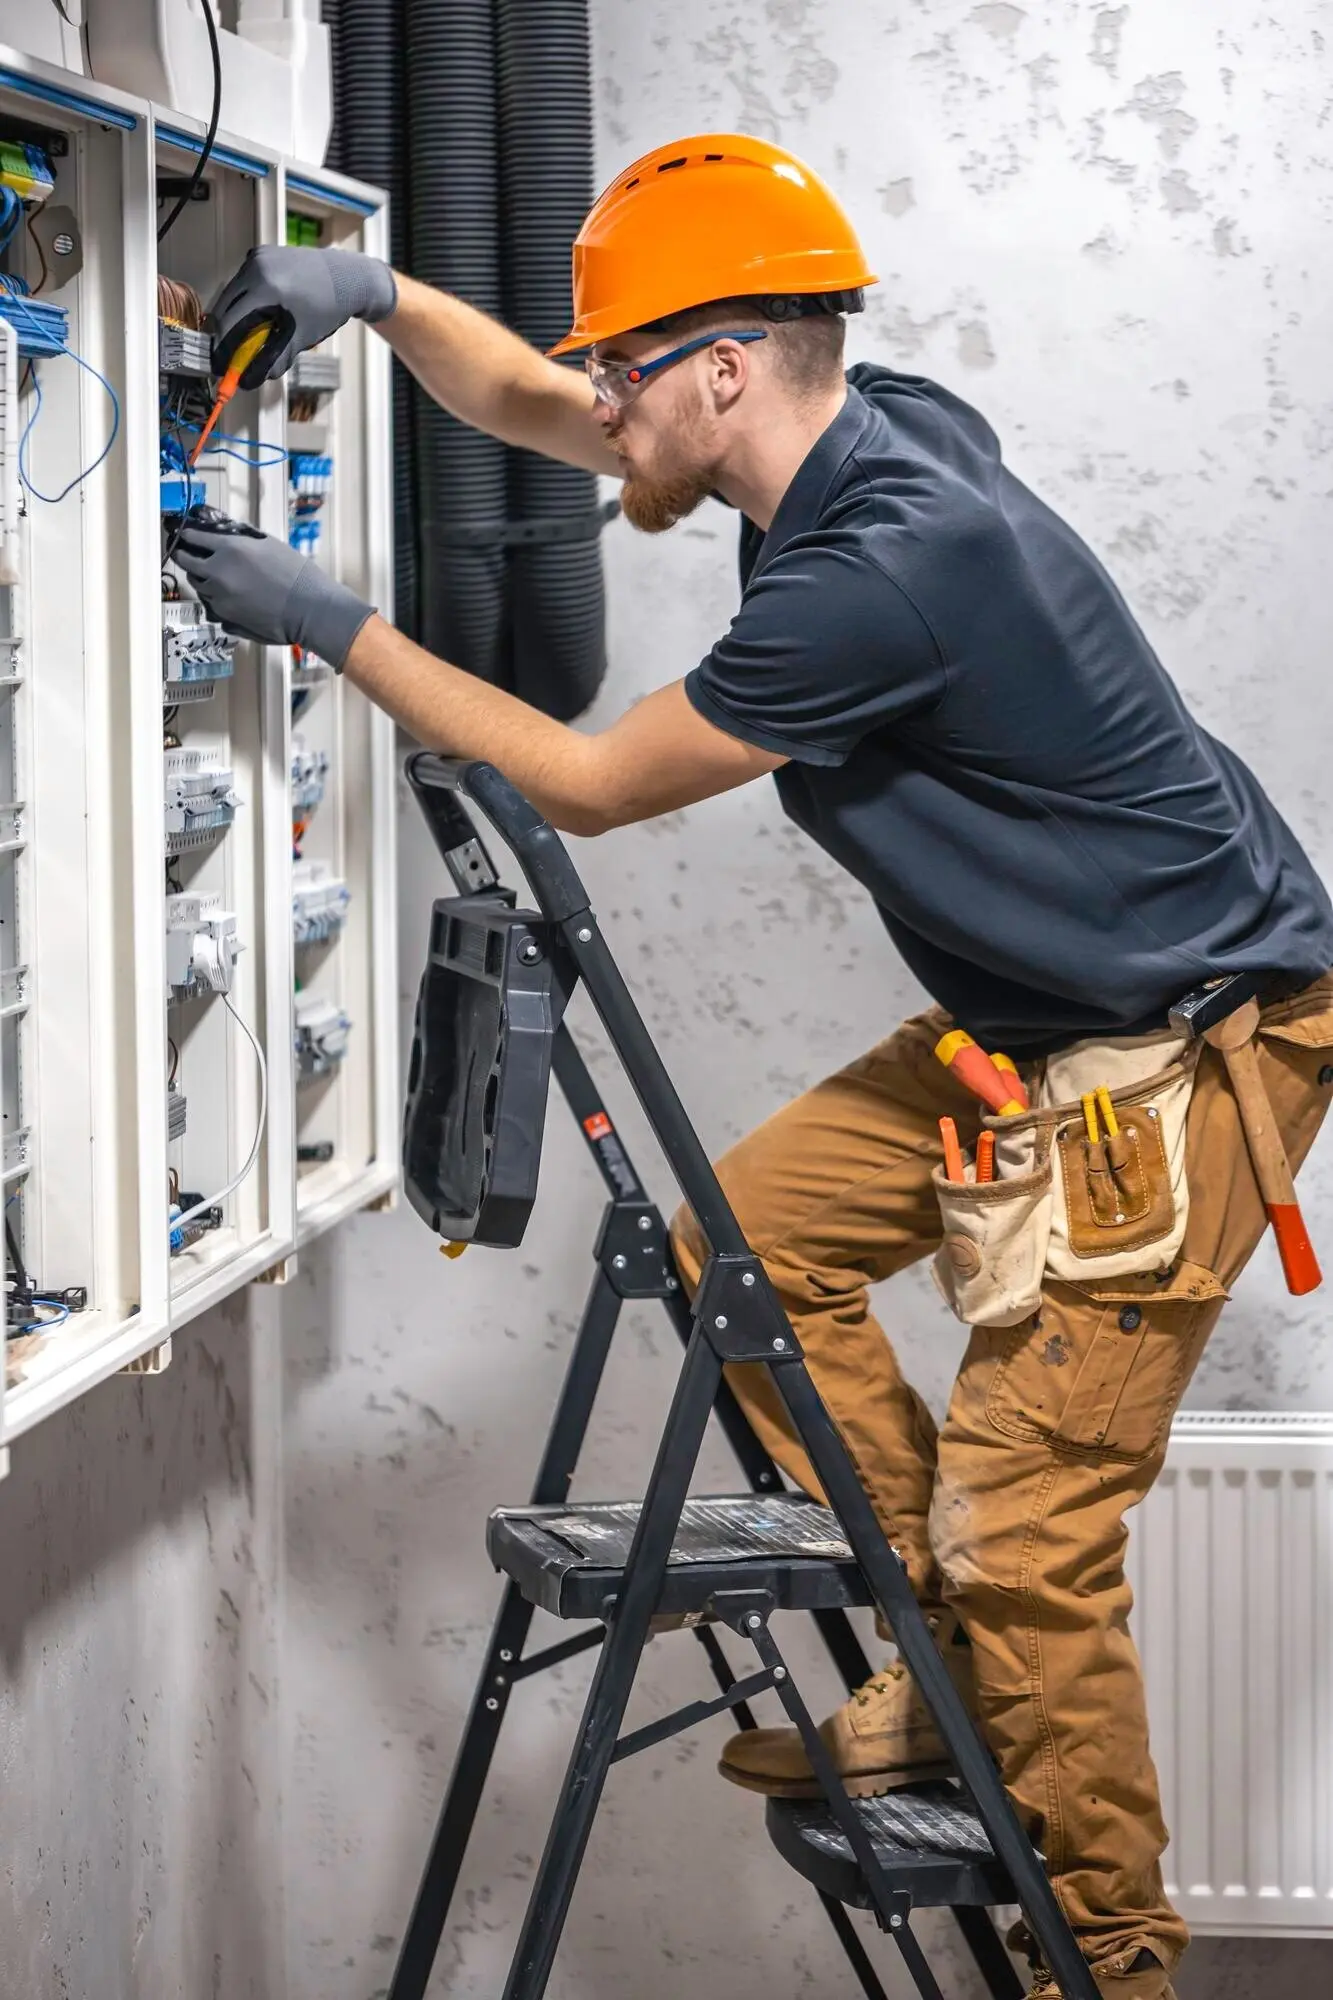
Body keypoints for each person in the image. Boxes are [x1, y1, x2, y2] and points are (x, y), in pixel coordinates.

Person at [183, 135, 1333, 2000]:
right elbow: (556, 414)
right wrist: (373, 299)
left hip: (1188, 1046)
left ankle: (1110, 1963)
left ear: (726, 365)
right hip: (1037, 1019)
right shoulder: (857, 427)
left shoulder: (879, 571)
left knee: (1027, 1523)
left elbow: (588, 779)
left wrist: (334, 628)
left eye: (625, 365)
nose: (597, 403)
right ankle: (940, 1667)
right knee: (757, 1252)